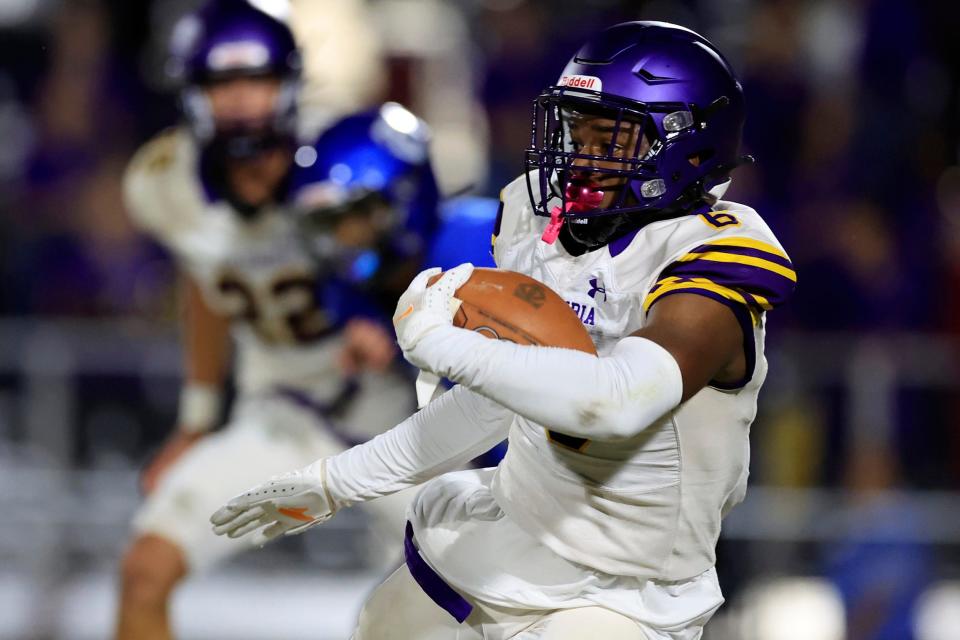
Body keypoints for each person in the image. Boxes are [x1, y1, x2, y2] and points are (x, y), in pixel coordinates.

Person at [210, 21, 797, 639]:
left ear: (686, 144)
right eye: (578, 133)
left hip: (624, 590)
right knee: (382, 626)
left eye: (612, 138)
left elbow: (620, 402)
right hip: (512, 528)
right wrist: (336, 482)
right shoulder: (537, 222)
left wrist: (445, 345)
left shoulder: (713, 257)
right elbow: (499, 407)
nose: (579, 159)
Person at [114, 3, 437, 639]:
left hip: (405, 415)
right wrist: (198, 418)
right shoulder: (164, 183)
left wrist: (395, 327)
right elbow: (205, 282)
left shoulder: (343, 154)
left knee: (451, 606)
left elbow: (421, 248)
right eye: (221, 85)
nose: (239, 103)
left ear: (288, 83)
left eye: (255, 82)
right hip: (284, 410)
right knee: (145, 568)